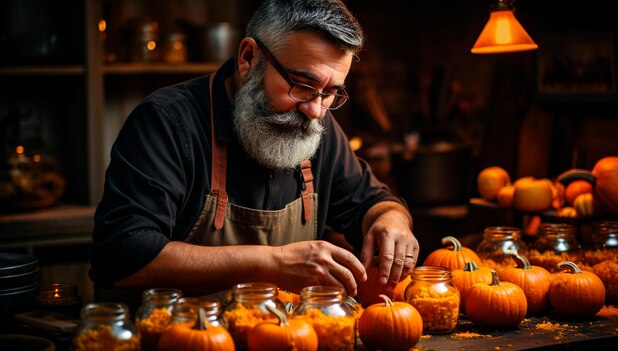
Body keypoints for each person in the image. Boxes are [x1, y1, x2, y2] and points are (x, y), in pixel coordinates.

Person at [89, 0, 418, 311]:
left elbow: (373, 201)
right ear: (248, 58)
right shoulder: (167, 121)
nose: (316, 110)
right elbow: (122, 255)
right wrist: (272, 263)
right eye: (302, 84)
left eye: (331, 92)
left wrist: (392, 222)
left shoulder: (314, 122)